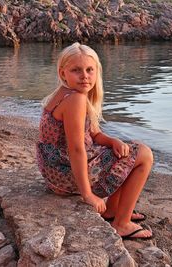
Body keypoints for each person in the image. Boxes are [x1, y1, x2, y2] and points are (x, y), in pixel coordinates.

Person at [36, 42, 154, 240]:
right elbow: (76, 149)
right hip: (65, 173)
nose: (84, 76)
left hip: (54, 170)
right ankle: (122, 223)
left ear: (97, 71)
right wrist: (88, 195)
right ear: (63, 73)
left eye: (90, 70)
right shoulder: (75, 100)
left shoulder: (65, 93)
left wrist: (112, 140)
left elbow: (93, 134)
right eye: (76, 70)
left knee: (124, 151)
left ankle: (113, 210)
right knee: (144, 155)